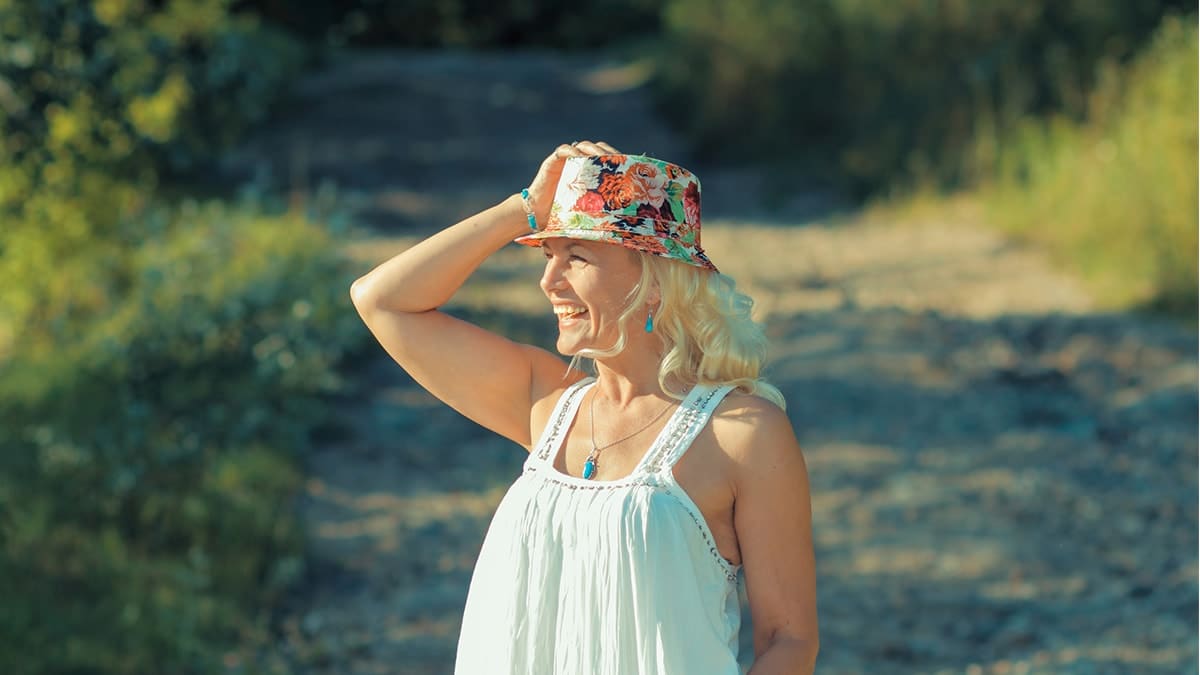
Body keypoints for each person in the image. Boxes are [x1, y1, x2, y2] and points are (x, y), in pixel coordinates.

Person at [350, 140, 818, 674]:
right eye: (549, 256)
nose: (549, 281)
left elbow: (790, 640)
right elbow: (380, 300)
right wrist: (521, 208)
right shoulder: (544, 402)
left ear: (652, 284)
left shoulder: (742, 432)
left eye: (577, 257)